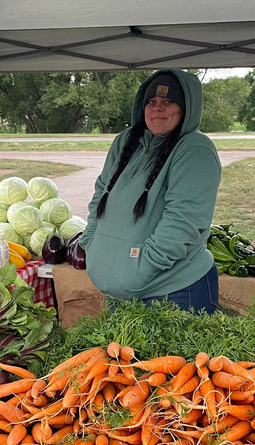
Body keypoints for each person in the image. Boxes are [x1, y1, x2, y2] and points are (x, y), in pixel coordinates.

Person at [80, 69, 222, 313]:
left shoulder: (195, 150)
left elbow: (183, 222)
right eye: (151, 102)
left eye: (168, 102)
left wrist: (139, 269)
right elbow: (101, 193)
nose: (158, 108)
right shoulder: (126, 141)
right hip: (124, 293)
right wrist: (91, 242)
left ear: (186, 108)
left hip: (175, 292)